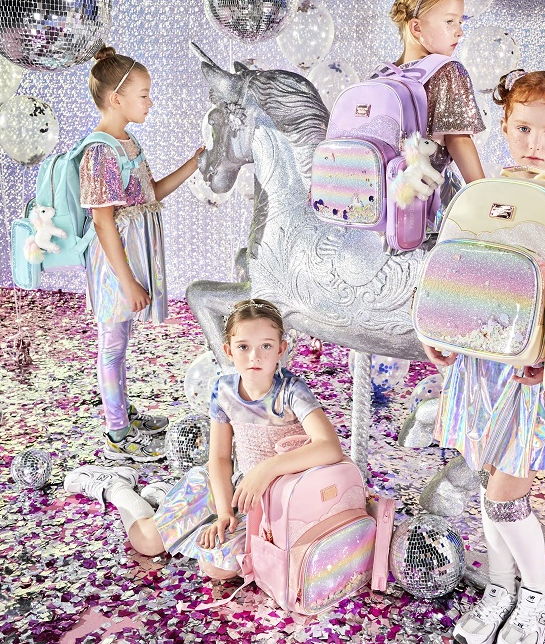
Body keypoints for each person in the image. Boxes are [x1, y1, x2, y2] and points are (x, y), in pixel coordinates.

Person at [427, 70, 545, 644]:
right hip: (481, 362)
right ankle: (500, 588)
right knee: (489, 484)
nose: (536, 142)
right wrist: (438, 329)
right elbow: (460, 269)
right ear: (505, 127)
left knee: (506, 493)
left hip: (537, 367)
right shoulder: (486, 193)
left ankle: (536, 592)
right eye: (523, 128)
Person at [63, 299, 345, 578]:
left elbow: (330, 447)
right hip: (231, 488)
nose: (254, 357)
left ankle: (163, 497)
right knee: (146, 542)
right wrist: (224, 513)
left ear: (281, 349)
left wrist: (266, 469)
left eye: (266, 346)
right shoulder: (224, 391)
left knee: (216, 568)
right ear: (228, 350)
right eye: (243, 347)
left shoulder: (292, 391)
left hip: (278, 498)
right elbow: (220, 458)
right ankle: (116, 486)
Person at [80, 46, 203, 462]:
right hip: (115, 263)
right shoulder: (100, 151)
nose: (151, 102)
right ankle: (117, 433)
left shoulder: (127, 142)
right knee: (112, 345)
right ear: (117, 99)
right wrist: (128, 281)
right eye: (144, 95)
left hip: (130, 256)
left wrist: (192, 164)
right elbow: (102, 222)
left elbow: (151, 195)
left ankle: (124, 414)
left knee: (121, 341)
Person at [389, 0, 486, 215]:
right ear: (416, 27)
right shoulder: (447, 70)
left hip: (389, 199)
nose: (460, 31)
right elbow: (459, 140)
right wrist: (485, 197)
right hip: (433, 197)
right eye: (450, 21)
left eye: (460, 22)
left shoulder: (382, 76)